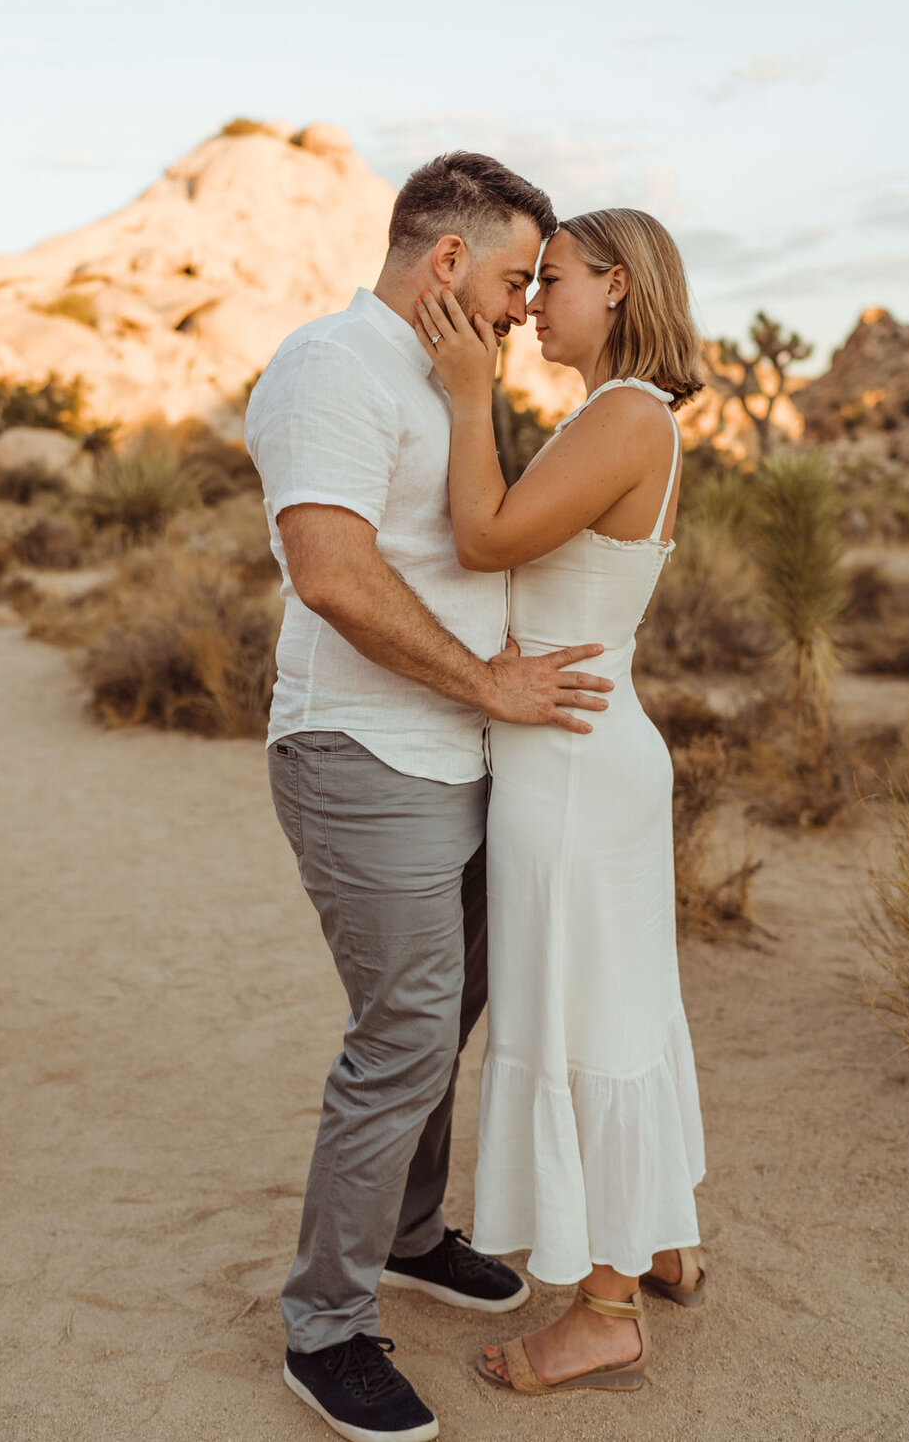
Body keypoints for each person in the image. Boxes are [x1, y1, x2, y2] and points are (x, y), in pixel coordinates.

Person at [244, 153, 614, 1442]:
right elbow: (334, 573)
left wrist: (490, 701)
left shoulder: (448, 375)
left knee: (439, 1023)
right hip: (363, 753)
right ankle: (324, 1329)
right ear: (445, 259)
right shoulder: (330, 367)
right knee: (399, 1037)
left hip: (459, 752)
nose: (523, 305)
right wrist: (489, 684)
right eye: (516, 276)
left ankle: (407, 1233)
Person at [412, 206, 707, 1398]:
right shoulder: (615, 415)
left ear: (621, 287)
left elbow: (483, 538)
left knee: (583, 1020)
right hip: (581, 756)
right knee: (622, 1005)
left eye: (555, 280)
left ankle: (604, 1309)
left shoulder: (626, 414)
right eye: (525, 285)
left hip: (575, 769)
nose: (531, 301)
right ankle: (661, 1240)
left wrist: (468, 386)